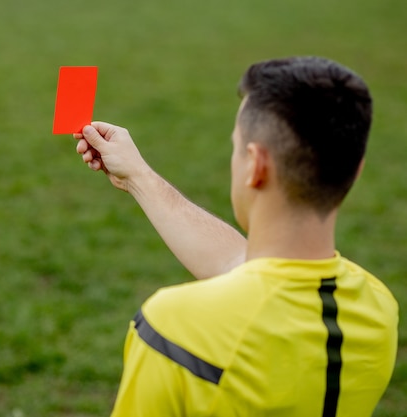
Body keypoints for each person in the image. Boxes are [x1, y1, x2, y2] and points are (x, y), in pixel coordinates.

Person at [73, 57, 398, 417]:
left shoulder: (175, 328)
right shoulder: (377, 308)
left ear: (256, 165)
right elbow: (249, 269)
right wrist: (137, 176)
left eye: (235, 147)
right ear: (355, 170)